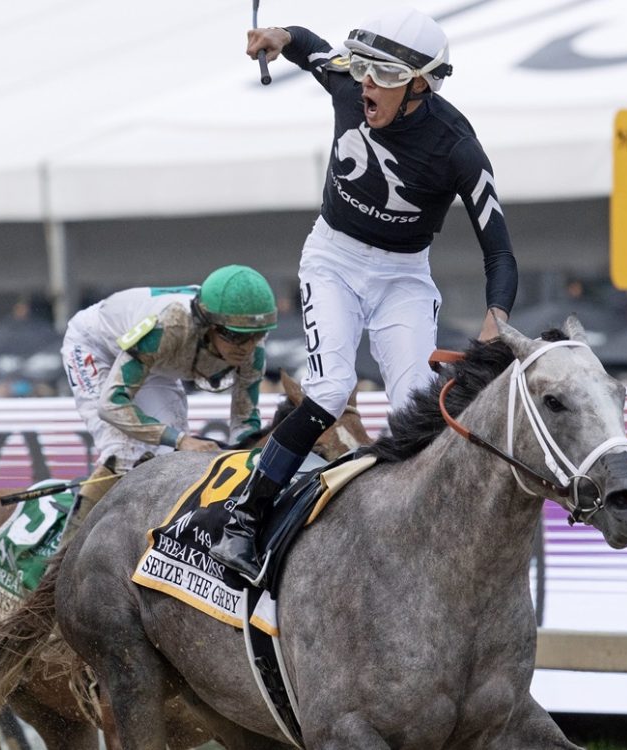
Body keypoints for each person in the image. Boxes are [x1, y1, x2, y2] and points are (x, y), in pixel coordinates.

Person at [210, 7, 518, 581]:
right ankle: (245, 518)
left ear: (421, 84)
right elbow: (308, 45)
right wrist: (278, 36)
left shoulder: (458, 146)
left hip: (404, 277)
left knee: (419, 408)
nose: (367, 85)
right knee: (329, 389)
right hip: (333, 261)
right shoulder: (351, 84)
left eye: (384, 77)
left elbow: (499, 252)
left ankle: (417, 530)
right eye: (365, 72)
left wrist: (496, 316)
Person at [60, 265, 278, 541]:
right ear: (208, 325)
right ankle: (61, 561)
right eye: (234, 335)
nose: (245, 347)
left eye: (256, 335)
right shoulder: (170, 327)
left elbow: (245, 422)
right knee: (124, 452)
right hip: (97, 346)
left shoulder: (253, 352)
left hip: (156, 363)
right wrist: (182, 439)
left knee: (172, 460)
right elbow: (112, 405)